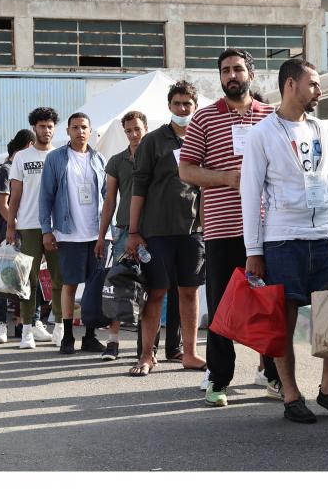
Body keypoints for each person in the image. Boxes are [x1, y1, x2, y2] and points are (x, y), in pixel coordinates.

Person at [241, 58, 328, 424]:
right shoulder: (263, 133)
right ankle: (290, 394)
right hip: (282, 238)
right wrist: (253, 250)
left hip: (322, 238)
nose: (319, 90)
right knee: (284, 321)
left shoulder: (321, 130)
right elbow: (250, 192)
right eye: (313, 84)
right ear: (291, 84)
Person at [179, 48, 283, 405]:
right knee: (223, 304)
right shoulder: (204, 119)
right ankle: (218, 378)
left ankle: (273, 375)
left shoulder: (272, 116)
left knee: (270, 302)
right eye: (225, 70)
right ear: (220, 77)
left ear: (251, 75)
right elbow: (186, 169)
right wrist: (226, 177)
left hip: (272, 228)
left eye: (238, 69)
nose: (232, 75)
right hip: (223, 228)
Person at [126, 81, 205, 376]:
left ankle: (191, 353)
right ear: (169, 106)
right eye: (177, 103)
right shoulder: (152, 141)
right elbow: (139, 188)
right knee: (155, 292)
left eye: (187, 104)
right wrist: (133, 233)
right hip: (156, 231)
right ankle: (146, 356)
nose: (182, 109)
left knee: (189, 292)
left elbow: (207, 187)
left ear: (195, 106)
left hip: (193, 230)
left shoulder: (202, 138)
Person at [39, 112, 107, 356]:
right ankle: (67, 335)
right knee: (69, 284)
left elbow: (108, 196)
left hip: (98, 233)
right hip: (68, 233)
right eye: (75, 127)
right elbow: (45, 197)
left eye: (84, 127)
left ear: (91, 131)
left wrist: (107, 231)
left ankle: (90, 335)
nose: (80, 132)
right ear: (67, 131)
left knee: (94, 286)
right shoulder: (56, 158)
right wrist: (46, 230)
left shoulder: (99, 159)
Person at [7, 107, 65, 349]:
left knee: (59, 277)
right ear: (34, 128)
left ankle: (61, 327)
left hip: (58, 226)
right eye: (42, 126)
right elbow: (16, 193)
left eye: (50, 126)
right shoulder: (21, 157)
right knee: (27, 280)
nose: (47, 130)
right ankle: (27, 330)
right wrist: (11, 225)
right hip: (29, 224)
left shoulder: (62, 155)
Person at [94, 110, 148, 361]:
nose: (134, 134)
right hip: (124, 230)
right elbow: (109, 201)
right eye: (128, 130)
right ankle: (113, 342)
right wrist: (101, 235)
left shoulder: (157, 156)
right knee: (118, 285)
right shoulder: (116, 161)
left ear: (145, 128)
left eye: (137, 129)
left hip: (155, 230)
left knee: (152, 289)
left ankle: (146, 348)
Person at [0, 129, 38, 345]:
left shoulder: (12, 169)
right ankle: (1, 325)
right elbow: (0, 205)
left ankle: (24, 323)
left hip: (20, 231)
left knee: (22, 280)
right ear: (27, 145)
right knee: (3, 281)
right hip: (13, 233)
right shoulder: (7, 170)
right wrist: (15, 227)